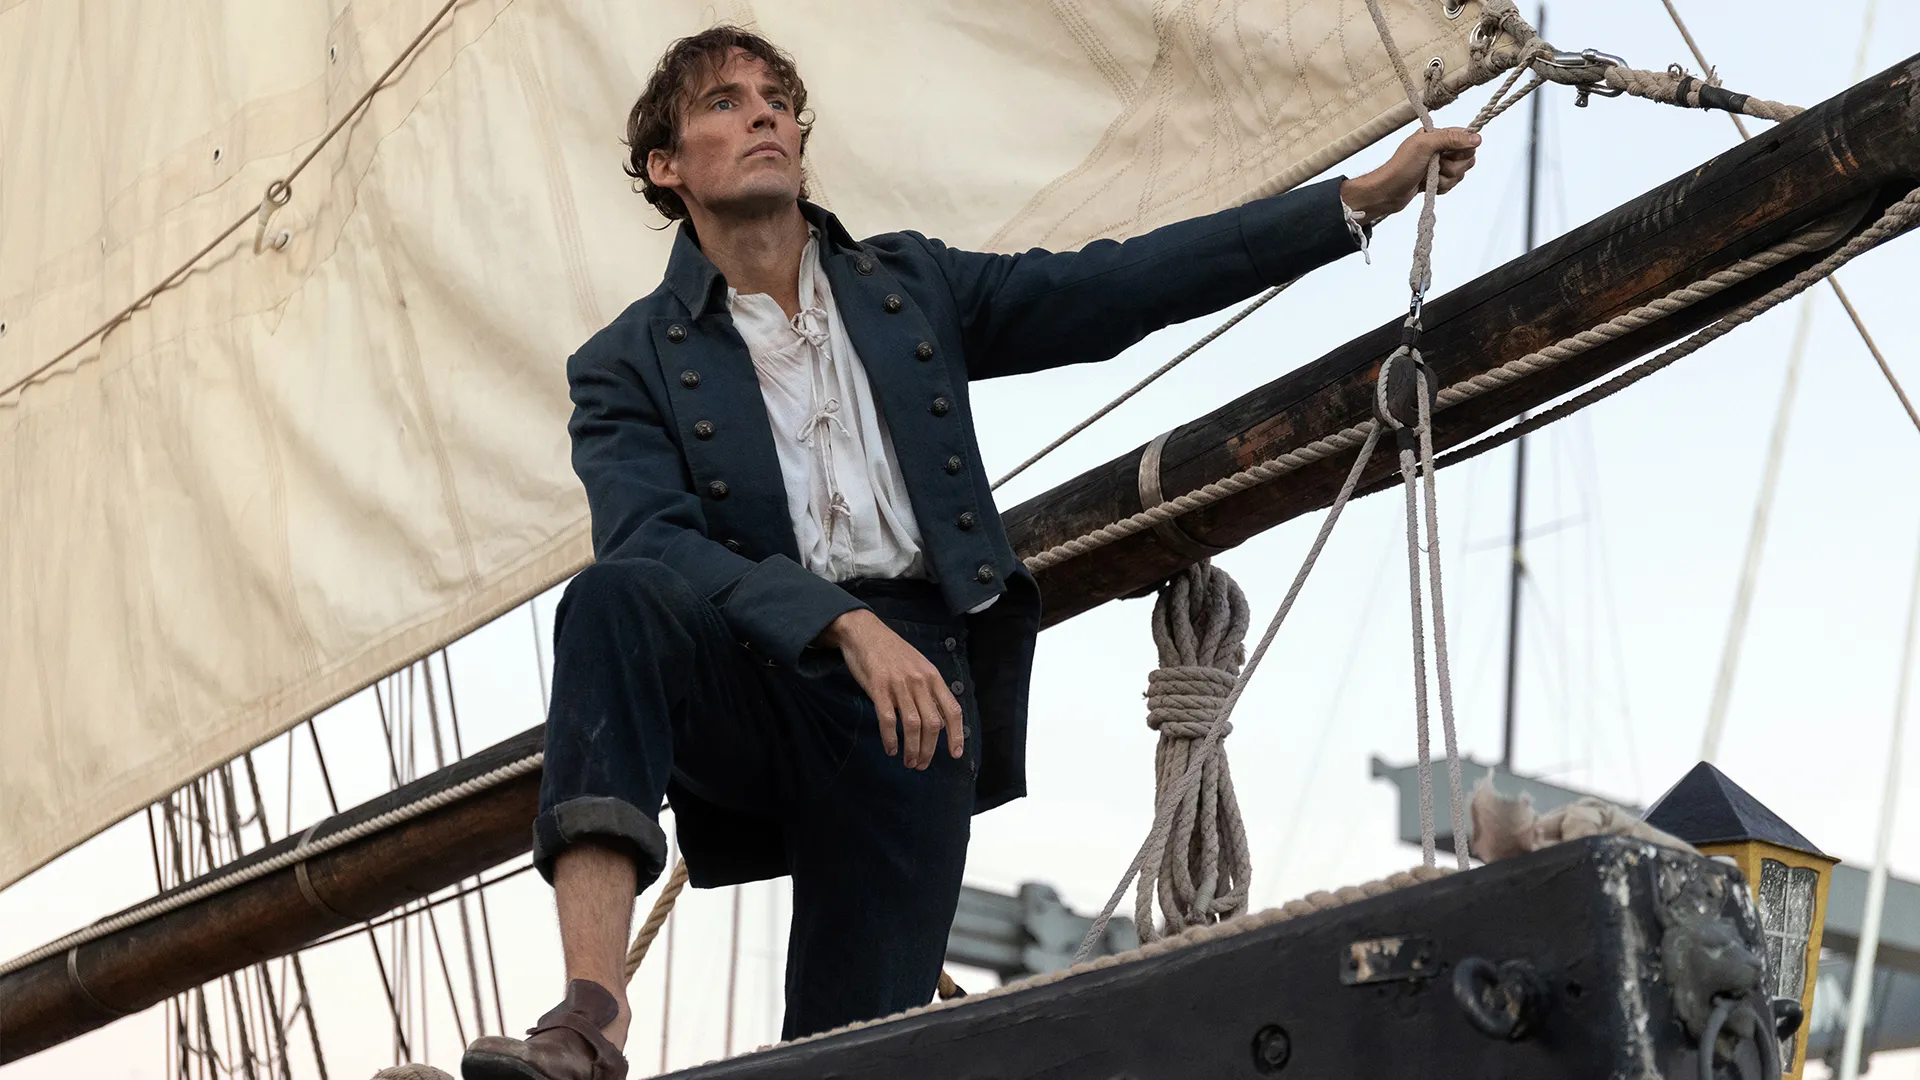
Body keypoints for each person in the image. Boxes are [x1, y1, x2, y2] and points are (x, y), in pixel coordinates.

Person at [462, 24, 1477, 1080]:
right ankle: (589, 1017)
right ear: (666, 166)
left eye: (778, 100)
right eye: (725, 101)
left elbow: (1116, 287)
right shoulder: (624, 361)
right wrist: (838, 623)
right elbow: (653, 541)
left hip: (915, 700)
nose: (765, 113)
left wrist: (1351, 203)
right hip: (753, 671)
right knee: (612, 599)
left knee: (848, 1054)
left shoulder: (910, 287)